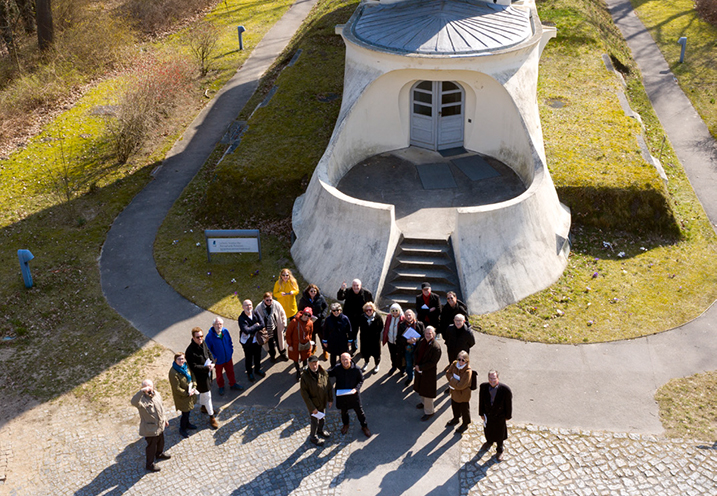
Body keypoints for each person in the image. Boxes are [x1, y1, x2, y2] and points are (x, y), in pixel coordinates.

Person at [130, 379, 170, 472]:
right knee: (151, 447)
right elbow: (133, 402)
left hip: (160, 426)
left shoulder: (157, 394)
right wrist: (141, 392)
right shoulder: (141, 400)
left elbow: (161, 408)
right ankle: (149, 464)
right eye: (146, 387)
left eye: (150, 386)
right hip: (150, 429)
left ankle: (159, 454)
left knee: (161, 442)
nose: (149, 389)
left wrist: (165, 419)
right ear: (142, 388)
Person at [328, 352, 371, 438]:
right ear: (340, 360)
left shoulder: (356, 369)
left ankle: (364, 426)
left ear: (350, 359)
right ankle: (346, 424)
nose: (344, 362)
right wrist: (319, 370)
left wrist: (356, 388)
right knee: (344, 412)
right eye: (343, 360)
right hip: (342, 395)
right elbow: (329, 373)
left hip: (353, 395)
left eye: (346, 359)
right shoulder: (337, 368)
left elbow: (361, 380)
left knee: (359, 412)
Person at [186, 327, 219, 429]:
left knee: (205, 393)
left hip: (208, 373)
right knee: (208, 395)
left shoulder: (203, 343)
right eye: (197, 337)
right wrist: (206, 368)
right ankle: (211, 417)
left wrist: (213, 362)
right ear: (193, 337)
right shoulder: (190, 351)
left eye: (201, 336)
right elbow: (193, 367)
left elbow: (209, 353)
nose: (200, 338)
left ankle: (203, 407)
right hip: (200, 377)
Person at [204, 317, 245, 395]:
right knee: (219, 375)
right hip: (218, 360)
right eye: (217, 324)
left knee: (230, 372)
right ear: (213, 325)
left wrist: (230, 351)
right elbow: (207, 349)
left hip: (228, 357)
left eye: (220, 324)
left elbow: (229, 341)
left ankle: (233, 384)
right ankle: (221, 386)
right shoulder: (209, 336)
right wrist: (214, 358)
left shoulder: (225, 331)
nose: (219, 326)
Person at [478, 370, 513, 461]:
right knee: (488, 430)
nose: (492, 380)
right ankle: (489, 442)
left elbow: (508, 405)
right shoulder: (483, 387)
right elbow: (481, 401)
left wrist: (507, 416)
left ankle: (499, 450)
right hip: (488, 414)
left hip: (499, 416)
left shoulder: (505, 390)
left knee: (499, 433)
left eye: (494, 378)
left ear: (498, 378)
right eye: (490, 378)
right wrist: (481, 413)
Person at [300, 355, 333, 446]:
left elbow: (329, 386)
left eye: (315, 364)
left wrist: (330, 399)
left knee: (322, 417)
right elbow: (305, 395)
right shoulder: (305, 377)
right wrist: (312, 408)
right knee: (314, 421)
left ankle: (320, 430)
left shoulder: (323, 372)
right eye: (312, 364)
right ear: (308, 365)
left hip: (322, 401)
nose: (314, 366)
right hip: (314, 403)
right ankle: (313, 437)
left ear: (318, 363)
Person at [413, 326, 442, 421]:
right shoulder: (422, 341)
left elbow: (432, 363)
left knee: (428, 393)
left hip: (428, 373)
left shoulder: (436, 347)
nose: (428, 335)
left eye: (430, 333)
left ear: (433, 334)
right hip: (419, 370)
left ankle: (429, 412)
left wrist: (420, 367)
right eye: (426, 333)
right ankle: (423, 403)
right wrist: (416, 364)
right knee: (421, 388)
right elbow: (416, 352)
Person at [337, 279, 373, 351]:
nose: (355, 287)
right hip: (349, 317)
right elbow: (340, 297)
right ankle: (353, 347)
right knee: (351, 333)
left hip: (362, 317)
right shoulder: (348, 291)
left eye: (357, 286)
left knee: (363, 334)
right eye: (354, 285)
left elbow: (371, 305)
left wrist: (370, 315)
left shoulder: (367, 293)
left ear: (361, 285)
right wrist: (341, 289)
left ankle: (363, 350)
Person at [168, 352, 198, 438]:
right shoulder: (173, 372)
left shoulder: (186, 365)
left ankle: (187, 424)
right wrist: (187, 394)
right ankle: (182, 428)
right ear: (175, 360)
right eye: (179, 359)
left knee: (188, 412)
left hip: (190, 393)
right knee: (185, 414)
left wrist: (194, 386)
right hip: (182, 397)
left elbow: (192, 375)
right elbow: (176, 388)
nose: (181, 361)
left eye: (182, 358)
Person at [298, 284, 329, 359]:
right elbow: (300, 310)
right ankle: (314, 347)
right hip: (309, 323)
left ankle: (325, 350)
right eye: (311, 291)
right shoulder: (303, 300)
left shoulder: (320, 298)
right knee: (312, 337)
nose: (313, 292)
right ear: (308, 291)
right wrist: (305, 317)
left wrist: (323, 314)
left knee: (322, 337)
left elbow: (326, 306)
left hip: (320, 322)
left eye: (314, 291)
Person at [238, 299, 266, 381]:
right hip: (247, 343)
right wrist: (256, 325)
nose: (248, 307)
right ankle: (249, 372)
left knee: (258, 356)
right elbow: (246, 330)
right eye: (246, 305)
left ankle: (257, 369)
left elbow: (262, 324)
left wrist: (252, 328)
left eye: (250, 305)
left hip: (257, 340)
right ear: (243, 307)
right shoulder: (241, 318)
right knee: (249, 358)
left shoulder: (256, 313)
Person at [445, 350, 472, 433]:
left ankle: (465, 423)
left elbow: (461, 385)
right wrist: (454, 381)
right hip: (454, 391)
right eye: (459, 359)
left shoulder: (467, 372)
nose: (460, 361)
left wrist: (452, 380)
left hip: (463, 394)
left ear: (466, 361)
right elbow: (448, 373)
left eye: (463, 360)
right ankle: (456, 418)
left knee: (464, 409)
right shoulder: (454, 364)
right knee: (454, 406)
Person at [258, 292, 288, 363]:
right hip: (266, 330)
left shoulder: (276, 304)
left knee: (279, 341)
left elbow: (282, 313)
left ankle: (282, 353)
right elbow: (256, 318)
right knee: (269, 344)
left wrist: (284, 323)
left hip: (276, 328)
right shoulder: (259, 307)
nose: (269, 302)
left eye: (270, 300)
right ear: (264, 300)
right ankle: (272, 356)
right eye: (267, 300)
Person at [397, 309, 424, 386]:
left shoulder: (419, 324)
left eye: (410, 315)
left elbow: (423, 336)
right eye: (406, 315)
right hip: (407, 349)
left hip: (417, 349)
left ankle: (418, 379)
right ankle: (410, 377)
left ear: (413, 315)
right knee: (409, 364)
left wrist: (416, 339)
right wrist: (407, 341)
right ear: (404, 317)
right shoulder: (402, 325)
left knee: (417, 364)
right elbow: (399, 338)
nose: (408, 317)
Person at [287, 308, 314, 381]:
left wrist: (309, 340)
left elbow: (311, 333)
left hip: (305, 344)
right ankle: (298, 371)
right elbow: (288, 334)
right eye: (305, 314)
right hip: (295, 344)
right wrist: (290, 345)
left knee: (305, 358)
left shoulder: (310, 323)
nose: (306, 316)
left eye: (309, 315)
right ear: (302, 314)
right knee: (295, 358)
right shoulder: (294, 322)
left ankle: (305, 371)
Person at [323, 302, 353, 367]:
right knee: (333, 356)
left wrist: (350, 340)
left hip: (343, 341)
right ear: (331, 311)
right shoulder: (328, 319)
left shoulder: (345, 318)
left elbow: (349, 330)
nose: (336, 312)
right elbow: (325, 330)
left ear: (340, 310)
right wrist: (325, 341)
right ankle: (333, 368)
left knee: (342, 356)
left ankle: (342, 368)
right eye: (334, 310)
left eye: (337, 310)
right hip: (332, 341)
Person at [357, 302, 383, 373]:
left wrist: (376, 334)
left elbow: (381, 327)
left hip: (375, 340)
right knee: (366, 353)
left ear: (373, 310)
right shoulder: (362, 317)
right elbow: (360, 326)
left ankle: (377, 365)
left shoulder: (378, 317)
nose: (368, 311)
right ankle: (366, 363)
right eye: (367, 310)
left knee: (376, 354)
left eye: (370, 310)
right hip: (365, 339)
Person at [382, 303, 404, 375]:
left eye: (396, 310)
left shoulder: (402, 318)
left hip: (399, 341)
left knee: (400, 355)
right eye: (392, 310)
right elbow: (386, 327)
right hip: (390, 340)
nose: (394, 312)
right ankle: (394, 366)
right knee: (392, 355)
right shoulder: (389, 317)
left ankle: (401, 368)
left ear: (399, 310)